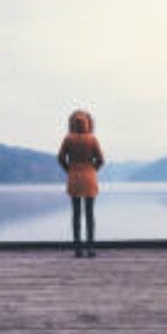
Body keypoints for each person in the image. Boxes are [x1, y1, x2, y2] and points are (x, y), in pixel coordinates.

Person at [57, 108, 104, 258]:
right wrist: (92, 170)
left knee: (76, 214)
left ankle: (78, 249)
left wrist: (69, 170)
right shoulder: (92, 139)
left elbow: (60, 158)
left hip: (74, 177)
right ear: (88, 123)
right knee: (90, 214)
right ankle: (91, 248)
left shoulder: (68, 139)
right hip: (90, 177)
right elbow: (101, 160)